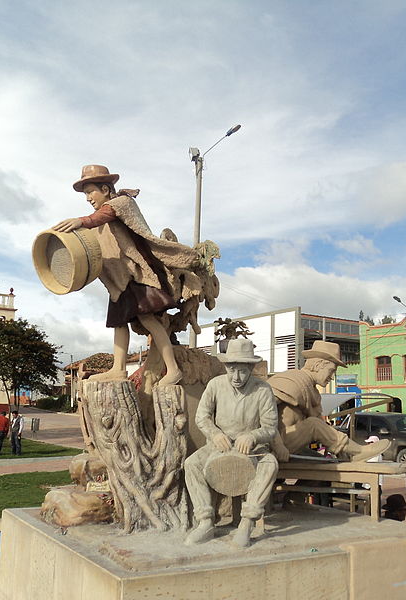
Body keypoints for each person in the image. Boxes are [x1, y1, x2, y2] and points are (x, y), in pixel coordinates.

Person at [53, 165, 200, 386]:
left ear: (104, 188)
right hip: (120, 282)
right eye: (85, 194)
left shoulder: (122, 203)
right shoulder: (98, 221)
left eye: (90, 192)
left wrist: (82, 221)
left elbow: (104, 214)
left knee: (149, 320)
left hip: (138, 274)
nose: (88, 198)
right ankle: (118, 369)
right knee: (119, 322)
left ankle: (173, 369)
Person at [184, 339, 279, 548]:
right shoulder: (215, 385)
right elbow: (202, 417)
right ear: (226, 367)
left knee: (270, 464)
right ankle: (205, 521)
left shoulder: (262, 390)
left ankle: (247, 522)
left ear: (251, 368)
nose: (236, 377)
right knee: (191, 464)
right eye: (232, 370)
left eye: (242, 371)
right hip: (218, 445)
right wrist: (215, 434)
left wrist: (253, 436)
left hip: (252, 450)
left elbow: (271, 427)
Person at [267, 341, 389, 462]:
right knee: (313, 425)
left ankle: (347, 457)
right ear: (319, 365)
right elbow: (262, 409)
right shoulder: (293, 380)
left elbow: (325, 430)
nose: (331, 377)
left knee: (322, 463)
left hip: (290, 444)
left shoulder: (312, 391)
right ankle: (359, 451)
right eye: (331, 371)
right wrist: (277, 445)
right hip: (273, 443)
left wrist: (341, 451)